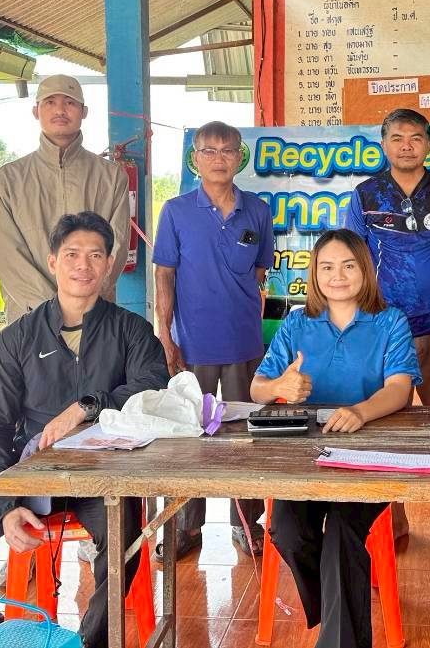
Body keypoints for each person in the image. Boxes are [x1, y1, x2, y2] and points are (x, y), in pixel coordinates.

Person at [0, 212, 169, 648]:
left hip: (105, 475)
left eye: (95, 255)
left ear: (109, 264)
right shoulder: (17, 339)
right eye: (71, 254)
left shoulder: (131, 331)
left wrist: (87, 406)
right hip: (32, 472)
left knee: (123, 542)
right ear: (53, 261)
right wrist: (5, 505)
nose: (83, 265)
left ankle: (89, 642)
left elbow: (154, 390)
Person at [251, 229, 421, 648]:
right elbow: (258, 388)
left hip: (371, 454)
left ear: (365, 270)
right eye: (327, 267)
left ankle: (337, 636)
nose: (338, 276)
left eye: (348, 266)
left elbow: (399, 389)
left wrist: (361, 412)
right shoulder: (297, 322)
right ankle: (333, 607)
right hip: (307, 456)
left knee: (343, 535)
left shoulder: (390, 321)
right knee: (287, 530)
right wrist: (280, 387)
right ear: (315, 274)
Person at [345, 108, 430, 540]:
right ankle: (395, 512)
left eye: (416, 138)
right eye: (398, 138)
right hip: (385, 328)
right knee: (387, 423)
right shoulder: (365, 195)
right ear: (384, 144)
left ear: (428, 144)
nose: (407, 146)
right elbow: (353, 262)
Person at [153, 120, 272, 558]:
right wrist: (165, 335)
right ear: (195, 159)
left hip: (244, 343)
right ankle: (186, 527)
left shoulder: (257, 210)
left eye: (227, 150)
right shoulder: (176, 211)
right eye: (209, 151)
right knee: (190, 436)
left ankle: (246, 523)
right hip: (192, 345)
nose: (219, 159)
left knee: (246, 435)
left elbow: (259, 271)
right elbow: (164, 274)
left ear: (240, 157)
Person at [0, 74, 130, 324]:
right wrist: (50, 309)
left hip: (93, 318)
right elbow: (6, 254)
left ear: (84, 112)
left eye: (70, 102)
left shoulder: (111, 177)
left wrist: (82, 303)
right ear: (36, 111)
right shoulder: (8, 180)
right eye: (50, 102)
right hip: (29, 318)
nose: (60, 110)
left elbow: (116, 248)